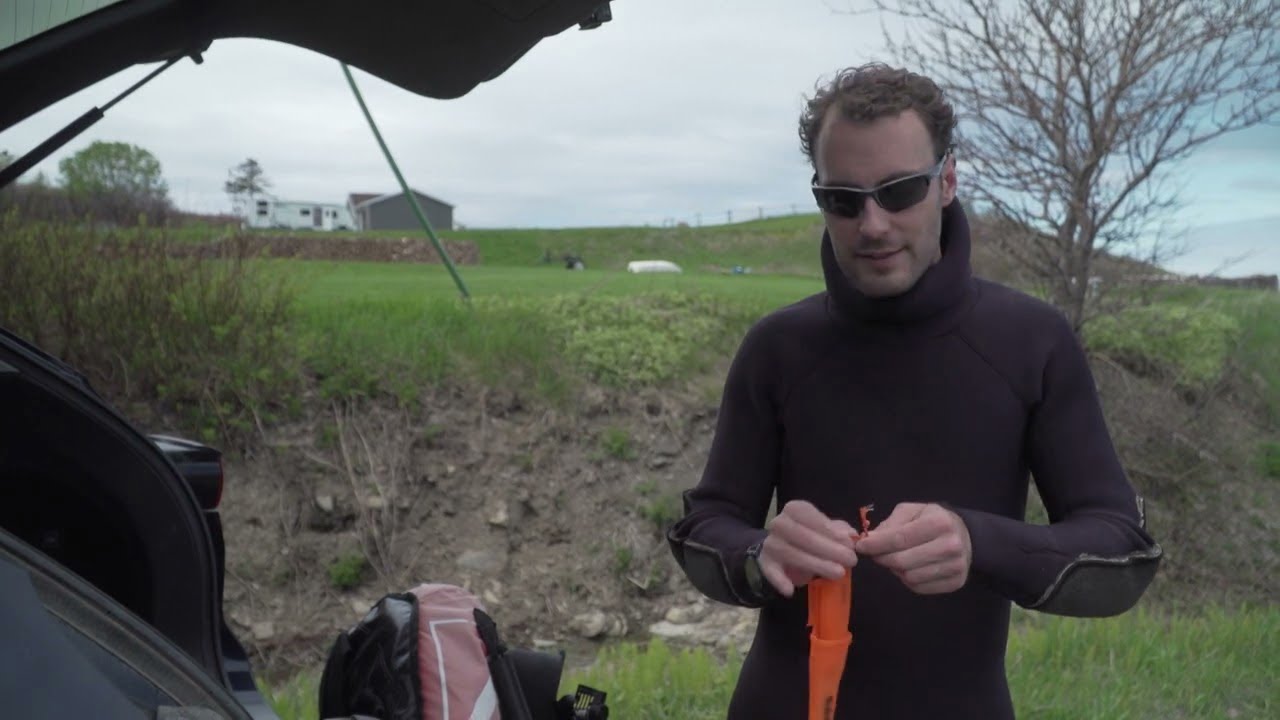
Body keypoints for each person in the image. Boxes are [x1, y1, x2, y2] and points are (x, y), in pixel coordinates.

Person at [665, 63, 1163, 719]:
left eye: (899, 192)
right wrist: (763, 555)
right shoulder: (777, 349)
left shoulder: (1031, 342)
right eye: (843, 199)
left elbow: (1122, 553)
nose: (871, 224)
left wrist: (979, 543)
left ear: (947, 181)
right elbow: (705, 527)